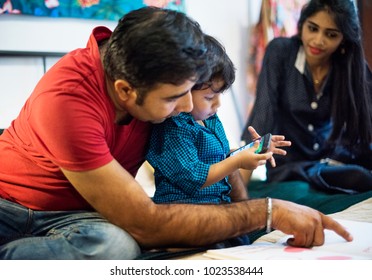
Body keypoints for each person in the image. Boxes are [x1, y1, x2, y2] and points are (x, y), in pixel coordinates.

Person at [0, 7, 352, 260]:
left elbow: (220, 154)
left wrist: (253, 211)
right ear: (125, 91)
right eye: (173, 98)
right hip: (11, 207)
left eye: (192, 92)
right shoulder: (67, 100)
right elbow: (146, 224)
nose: (187, 107)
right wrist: (267, 211)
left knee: (118, 245)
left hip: (79, 213)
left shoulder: (155, 78)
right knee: (122, 246)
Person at [146, 34, 291, 248]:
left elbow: (221, 160)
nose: (218, 104)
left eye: (220, 94)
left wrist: (252, 149)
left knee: (245, 242)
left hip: (217, 209)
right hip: (185, 215)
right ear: (184, 89)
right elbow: (194, 176)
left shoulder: (210, 119)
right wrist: (239, 160)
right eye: (208, 97)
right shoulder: (174, 127)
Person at [242, 0, 372, 194]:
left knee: (362, 178)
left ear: (343, 38)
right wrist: (239, 195)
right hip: (288, 169)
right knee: (299, 191)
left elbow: (365, 131)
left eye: (331, 34)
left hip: (334, 163)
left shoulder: (352, 66)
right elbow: (262, 119)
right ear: (302, 24)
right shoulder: (281, 52)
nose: (318, 40)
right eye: (313, 28)